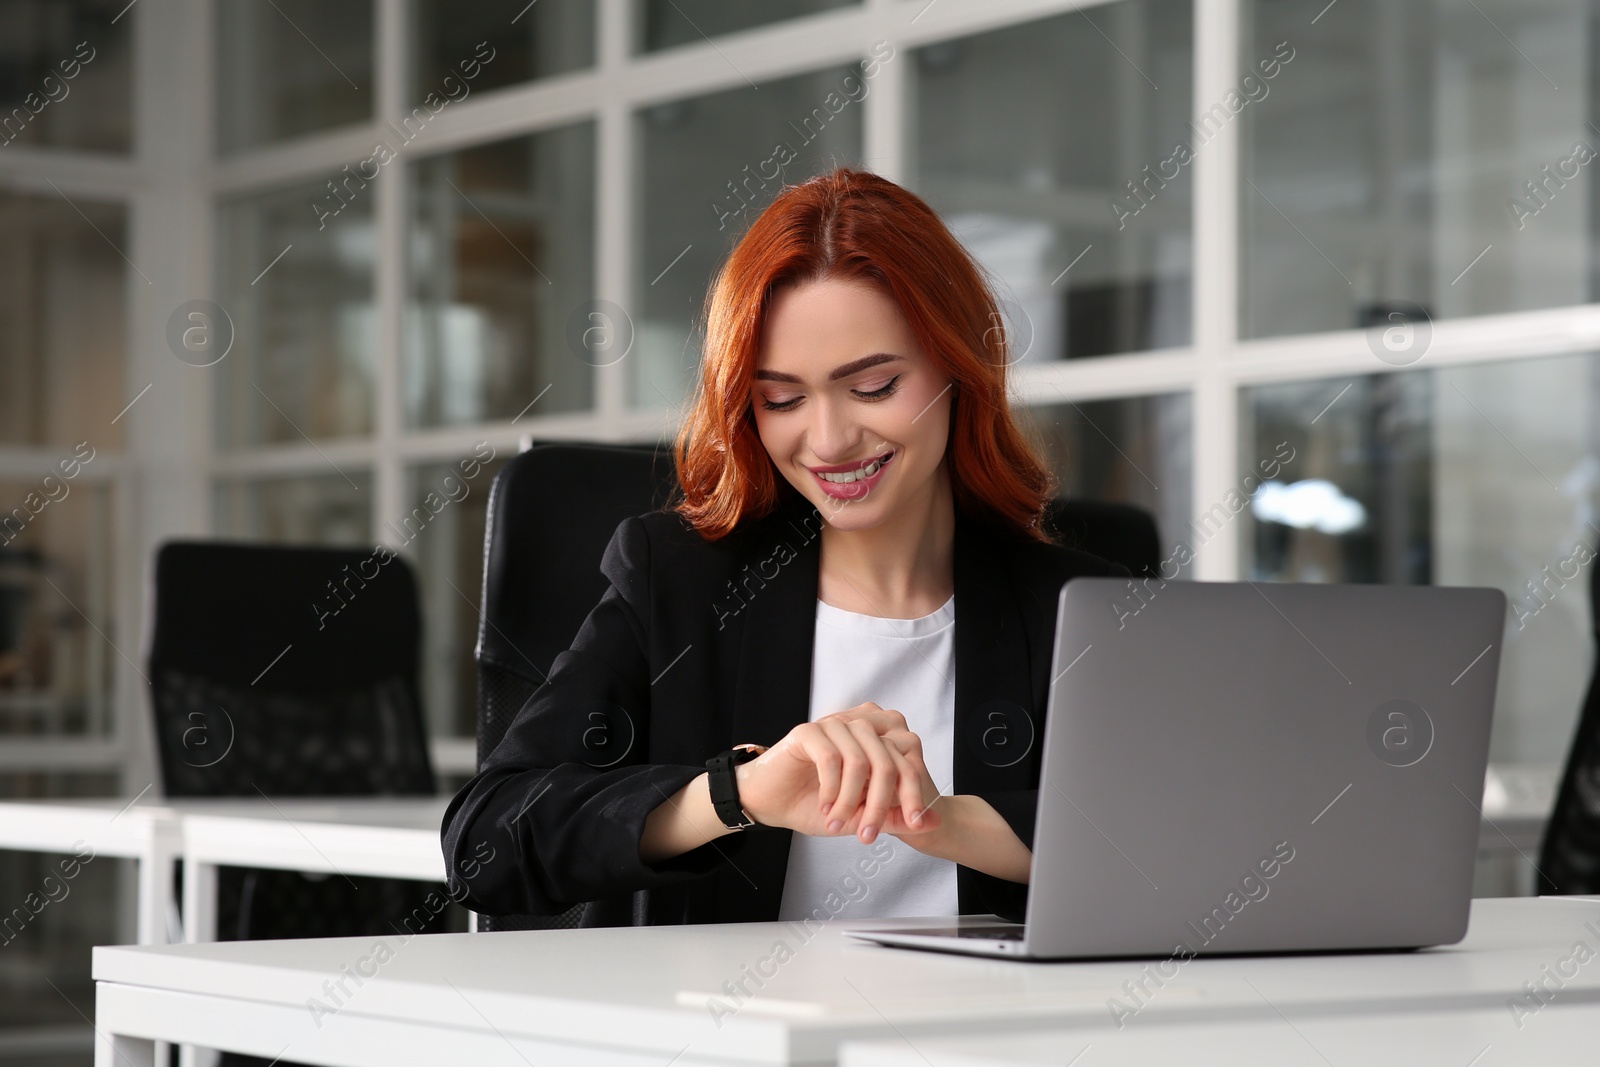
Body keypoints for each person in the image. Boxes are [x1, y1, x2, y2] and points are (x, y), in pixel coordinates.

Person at [440, 166, 1128, 927]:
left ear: (959, 368)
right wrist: (740, 793)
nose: (829, 440)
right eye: (783, 399)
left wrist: (939, 817)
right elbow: (484, 843)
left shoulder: (1078, 606)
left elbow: (1171, 849)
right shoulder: (679, 579)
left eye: (872, 387)